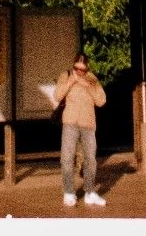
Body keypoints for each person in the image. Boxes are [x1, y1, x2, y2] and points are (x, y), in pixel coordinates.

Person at [53, 50, 107, 206]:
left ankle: (90, 192)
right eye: (77, 68)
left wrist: (87, 86)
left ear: (87, 67)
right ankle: (69, 192)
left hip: (88, 124)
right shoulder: (66, 75)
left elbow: (102, 101)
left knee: (91, 159)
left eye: (82, 69)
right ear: (73, 66)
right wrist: (71, 81)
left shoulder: (92, 78)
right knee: (67, 158)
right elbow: (57, 96)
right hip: (70, 122)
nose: (79, 72)